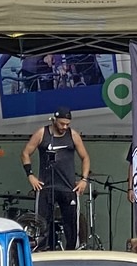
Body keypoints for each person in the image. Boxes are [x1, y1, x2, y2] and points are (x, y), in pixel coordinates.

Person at [21, 107, 89, 250]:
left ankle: (72, 254)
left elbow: (85, 157)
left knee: (71, 226)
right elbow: (26, 153)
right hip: (45, 187)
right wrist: (30, 175)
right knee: (41, 224)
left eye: (67, 124)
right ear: (54, 120)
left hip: (68, 187)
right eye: (62, 124)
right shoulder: (42, 133)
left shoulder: (73, 135)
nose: (64, 127)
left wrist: (84, 179)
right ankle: (41, 253)